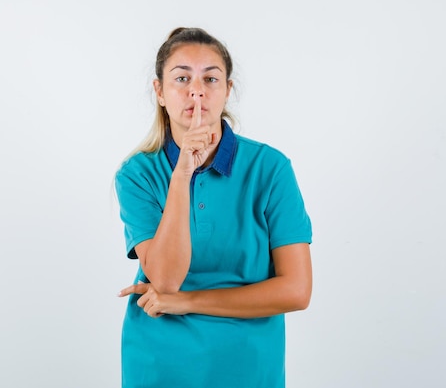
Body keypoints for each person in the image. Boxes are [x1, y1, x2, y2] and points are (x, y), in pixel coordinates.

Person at [114, 27, 313, 388]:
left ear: (227, 91)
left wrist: (187, 302)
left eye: (210, 78)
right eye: (181, 78)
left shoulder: (270, 168)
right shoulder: (136, 174)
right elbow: (166, 279)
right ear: (159, 91)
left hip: (249, 369)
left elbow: (296, 291)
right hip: (159, 367)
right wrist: (182, 173)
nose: (197, 90)